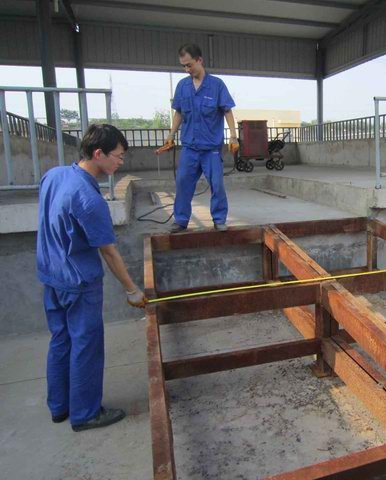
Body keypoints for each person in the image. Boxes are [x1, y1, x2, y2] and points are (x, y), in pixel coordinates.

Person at [37, 124, 145, 432]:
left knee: (61, 340)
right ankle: (85, 413)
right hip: (79, 283)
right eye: (118, 156)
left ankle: (59, 406)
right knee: (86, 345)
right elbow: (108, 252)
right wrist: (132, 290)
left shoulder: (54, 176)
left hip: (52, 275)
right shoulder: (89, 199)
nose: (120, 162)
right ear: (99, 154)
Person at [165, 43, 239, 233]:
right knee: (183, 183)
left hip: (211, 149)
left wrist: (233, 136)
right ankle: (181, 220)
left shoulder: (217, 85)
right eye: (183, 66)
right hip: (189, 148)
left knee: (217, 185)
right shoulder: (182, 86)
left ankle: (219, 219)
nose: (186, 69)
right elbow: (179, 112)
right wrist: (171, 134)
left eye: (189, 65)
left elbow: (227, 110)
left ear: (200, 60)